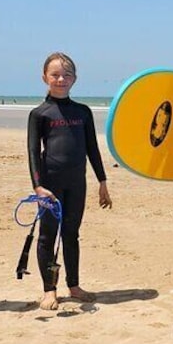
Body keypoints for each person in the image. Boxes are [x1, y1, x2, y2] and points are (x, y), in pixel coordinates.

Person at [27, 52, 112, 310]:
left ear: (75, 79)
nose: (61, 79)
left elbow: (92, 148)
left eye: (66, 75)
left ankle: (73, 285)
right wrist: (38, 186)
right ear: (45, 78)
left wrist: (102, 181)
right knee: (47, 236)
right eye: (55, 74)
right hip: (50, 185)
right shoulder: (39, 114)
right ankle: (49, 290)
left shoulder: (83, 112)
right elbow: (32, 152)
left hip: (77, 182)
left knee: (72, 234)